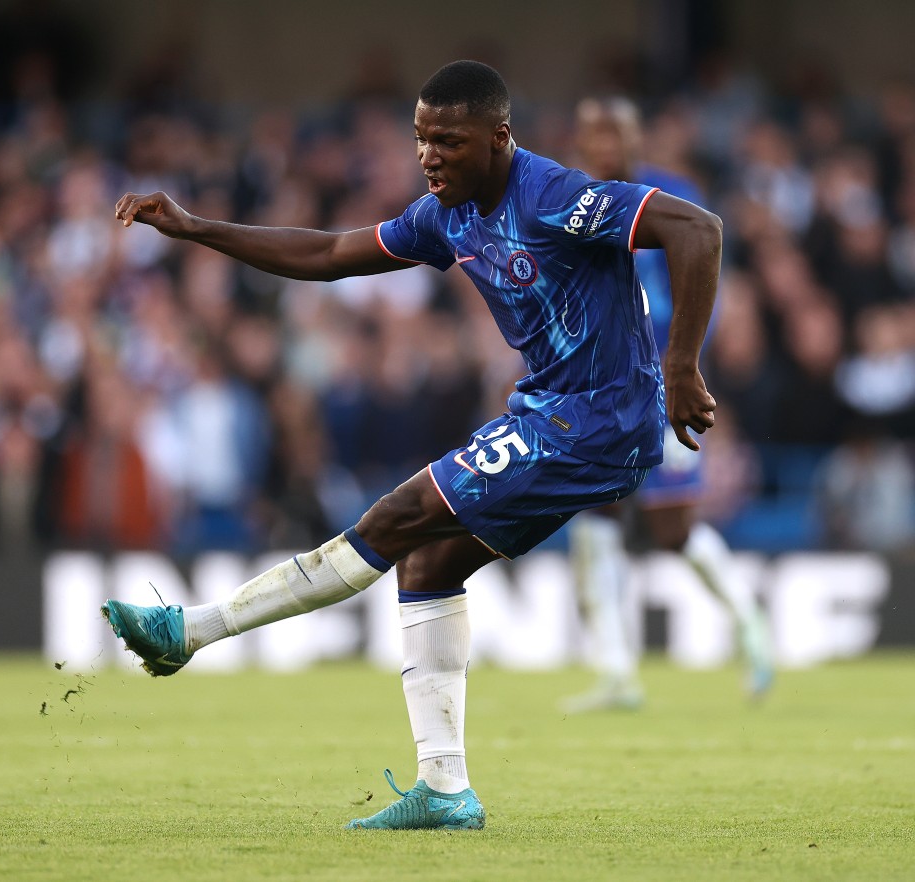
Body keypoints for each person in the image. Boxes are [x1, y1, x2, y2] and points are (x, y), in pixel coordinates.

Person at [101, 61, 722, 831]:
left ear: (499, 138)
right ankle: (444, 788)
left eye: (449, 142)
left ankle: (189, 632)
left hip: (598, 419)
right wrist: (199, 229)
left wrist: (682, 363)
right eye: (422, 139)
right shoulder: (446, 215)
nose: (429, 156)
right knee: (428, 561)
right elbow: (329, 255)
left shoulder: (555, 195)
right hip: (553, 415)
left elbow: (697, 228)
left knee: (396, 515)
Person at [561, 97, 773, 713]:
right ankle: (617, 671)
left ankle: (749, 621)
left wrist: (687, 364)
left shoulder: (668, 194)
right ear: (581, 140)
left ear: (634, 136)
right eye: (593, 133)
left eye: (615, 131)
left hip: (660, 383)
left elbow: (703, 279)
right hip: (597, 389)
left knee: (672, 529)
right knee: (594, 518)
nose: (604, 143)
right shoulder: (569, 202)